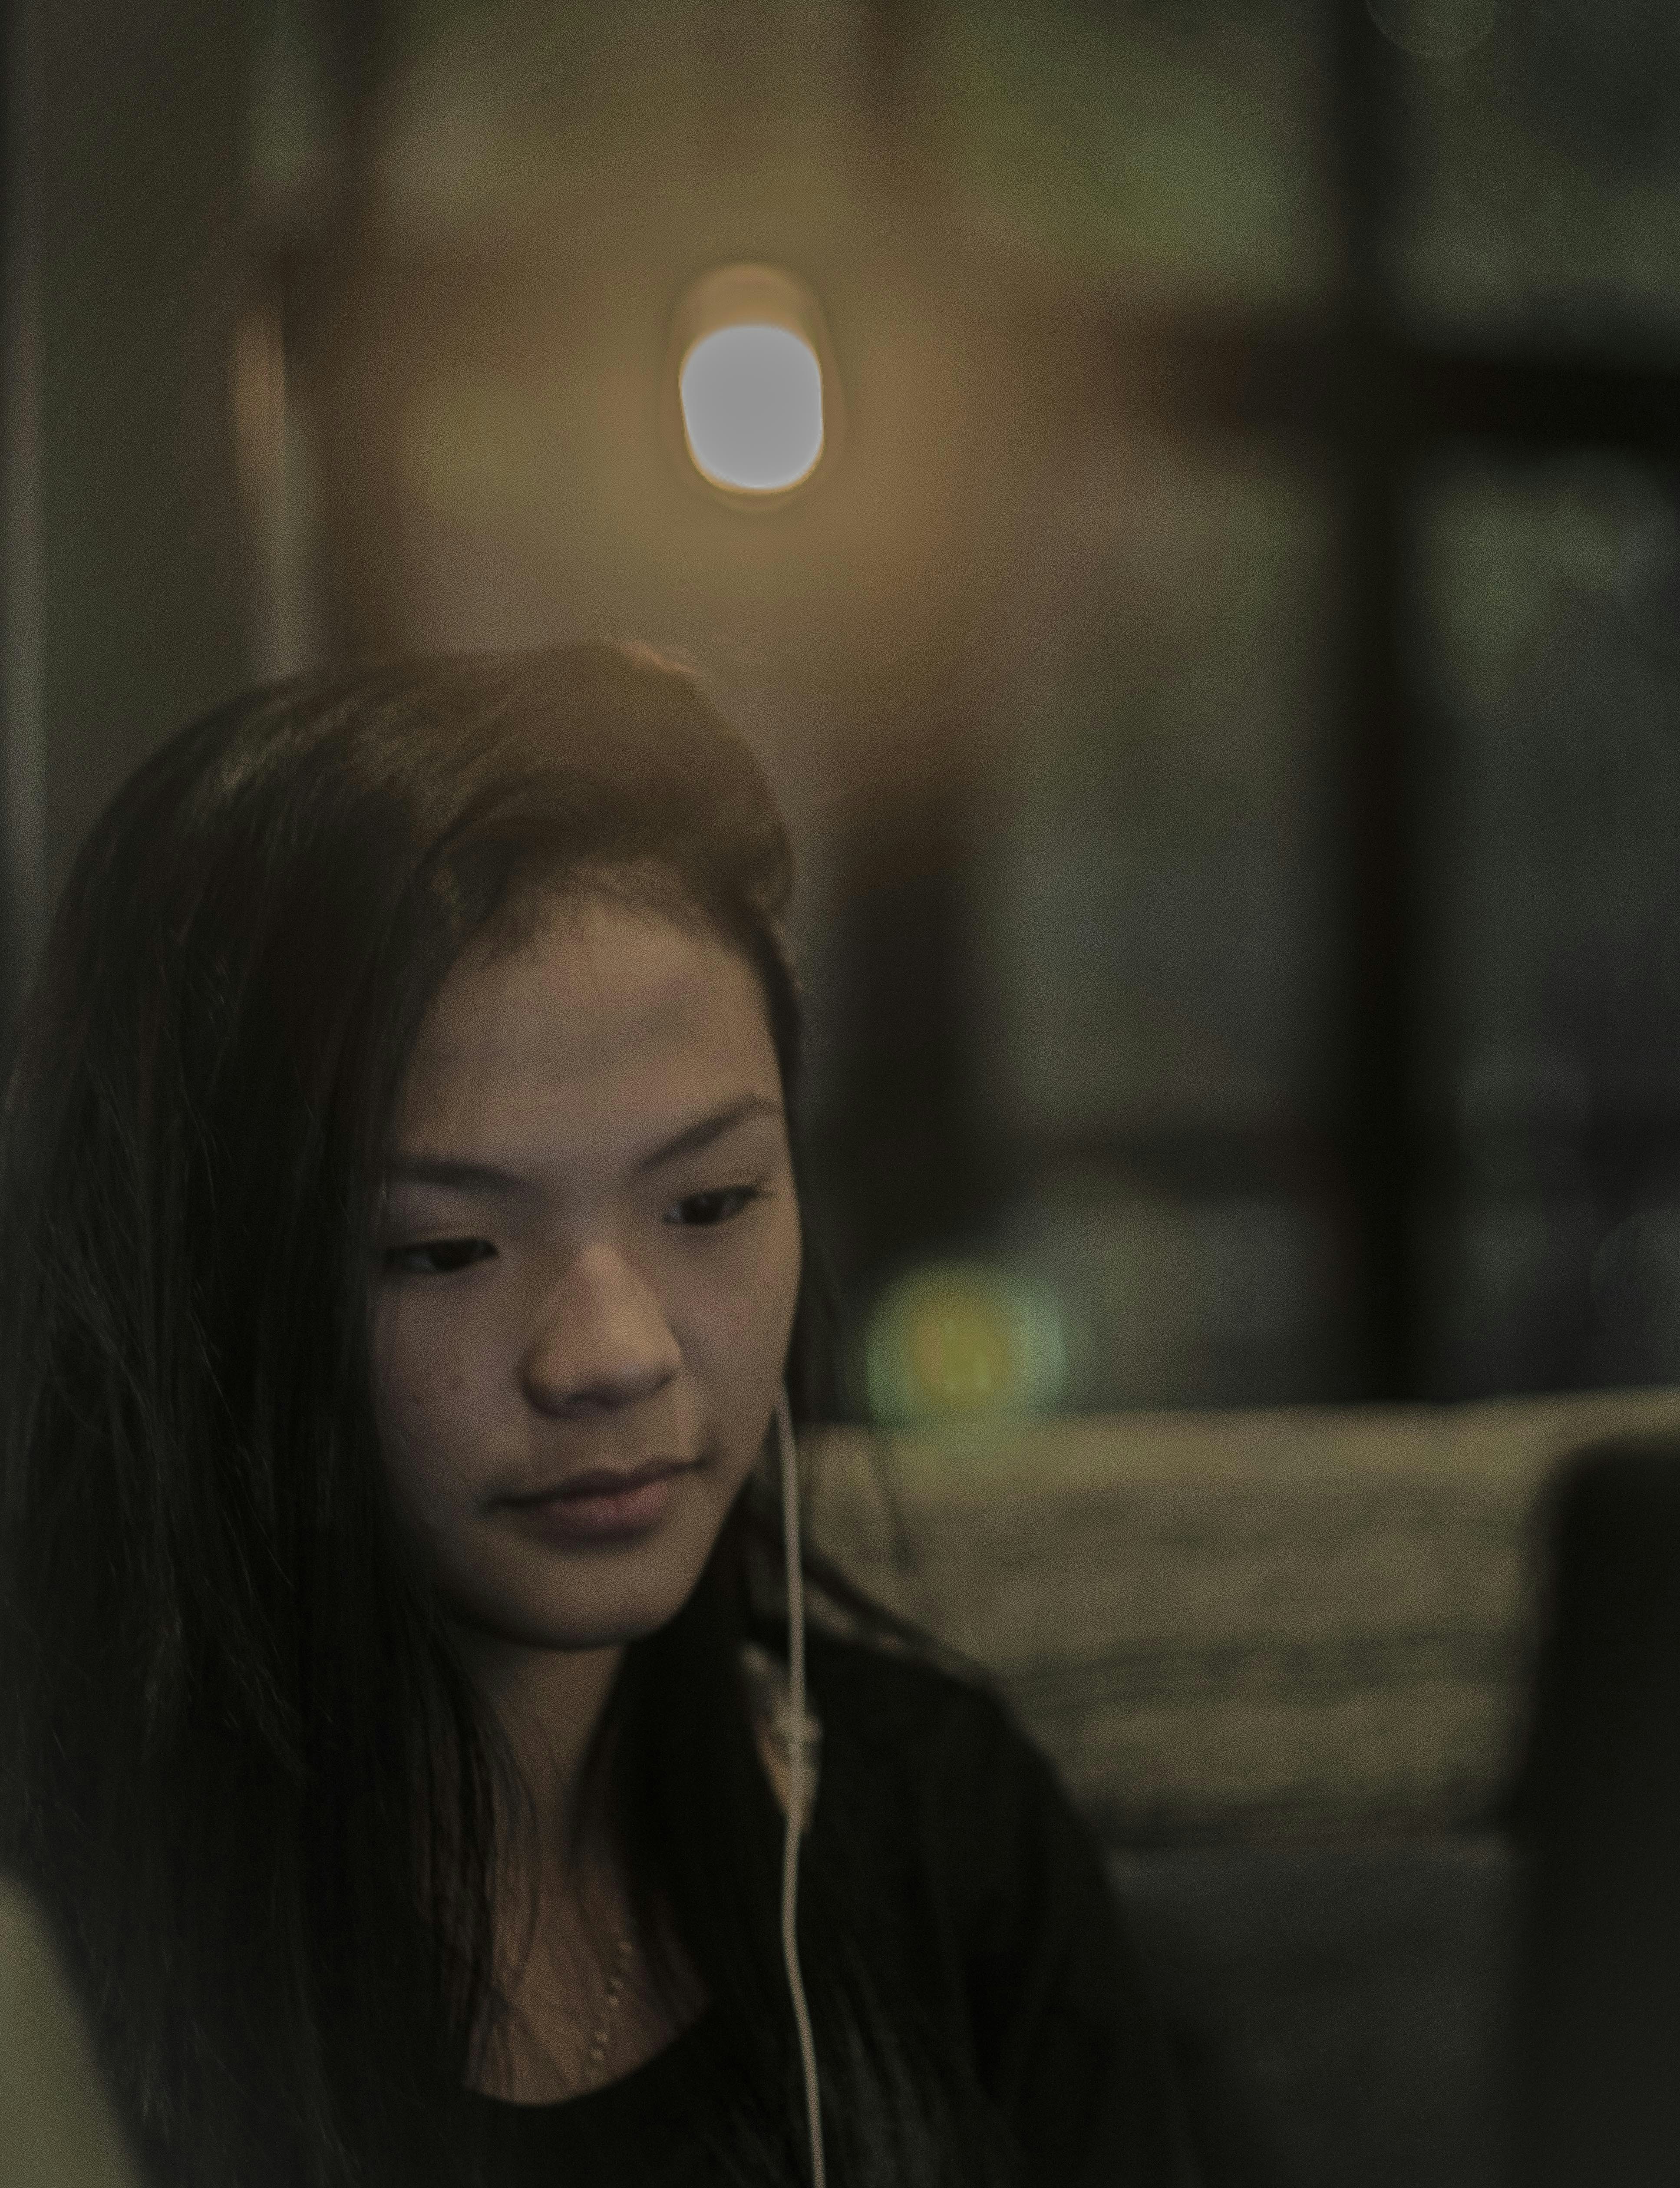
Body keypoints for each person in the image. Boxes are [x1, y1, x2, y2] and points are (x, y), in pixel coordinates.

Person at [0, 641, 1185, 2188]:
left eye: (710, 1202)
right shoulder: (57, 1927)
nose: (615, 1353)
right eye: (444, 1249)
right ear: (206, 1276)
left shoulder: (931, 1835)